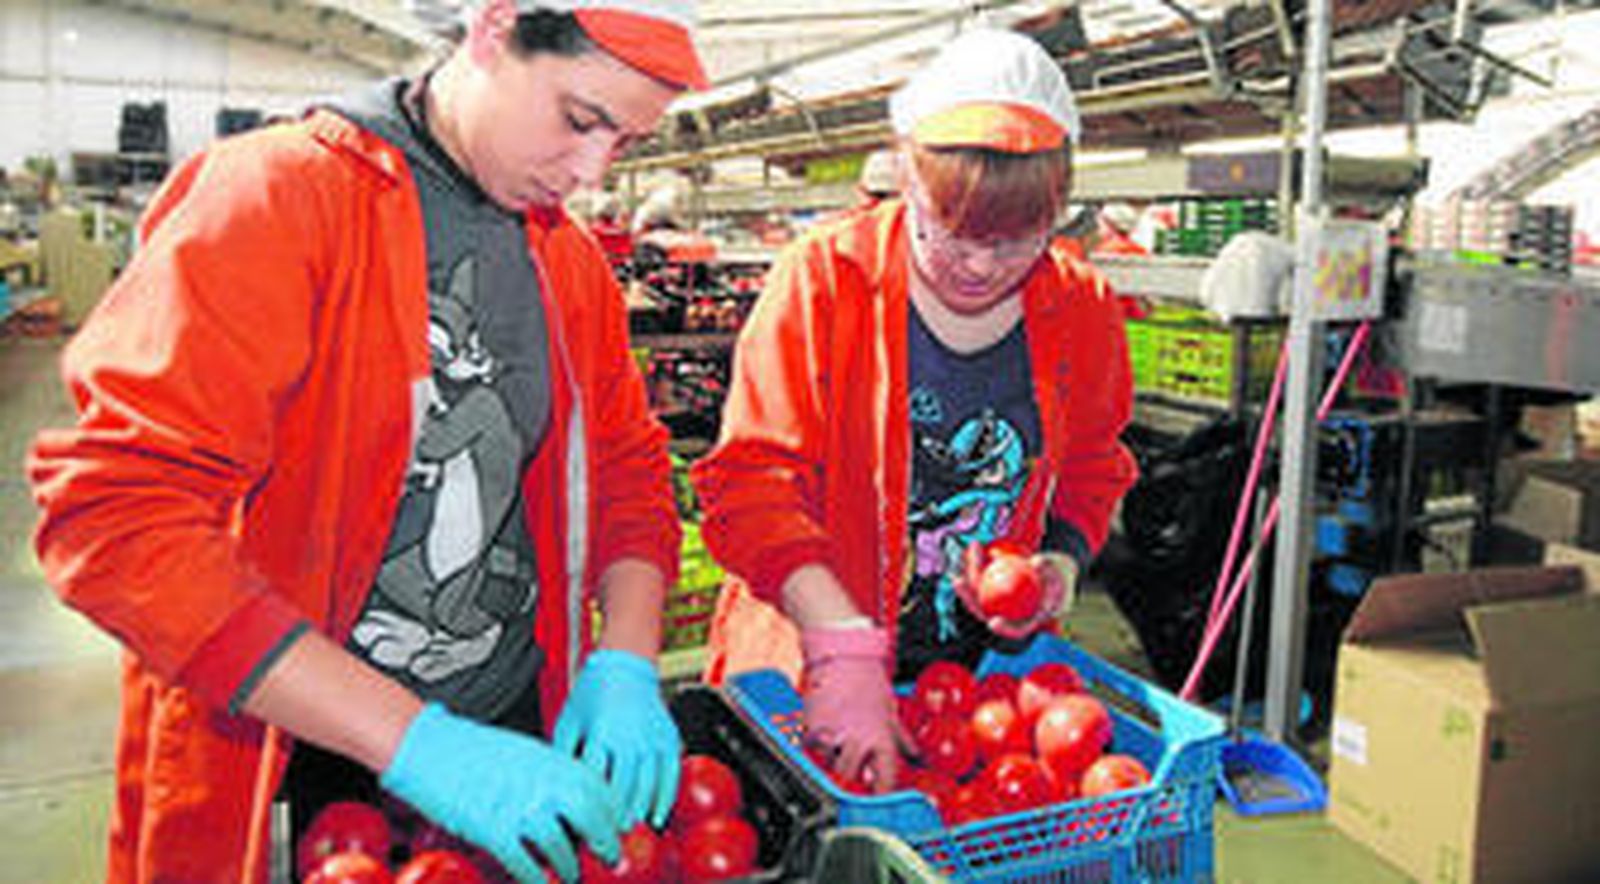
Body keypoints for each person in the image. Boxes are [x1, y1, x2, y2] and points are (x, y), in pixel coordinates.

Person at [26, 1, 705, 881]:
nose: (590, 169)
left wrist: (627, 658)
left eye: (626, 142)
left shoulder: (566, 261)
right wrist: (416, 742)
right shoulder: (278, 197)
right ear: (495, 29)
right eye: (579, 118)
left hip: (511, 739)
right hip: (296, 750)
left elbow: (624, 468)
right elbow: (116, 519)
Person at [691, 28, 1138, 792]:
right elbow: (749, 484)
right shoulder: (824, 282)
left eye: (1017, 243)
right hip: (808, 669)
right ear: (905, 177)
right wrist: (839, 645)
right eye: (951, 233)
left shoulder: (1082, 307)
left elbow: (1095, 464)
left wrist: (1059, 563)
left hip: (981, 698)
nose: (980, 267)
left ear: (1059, 210)